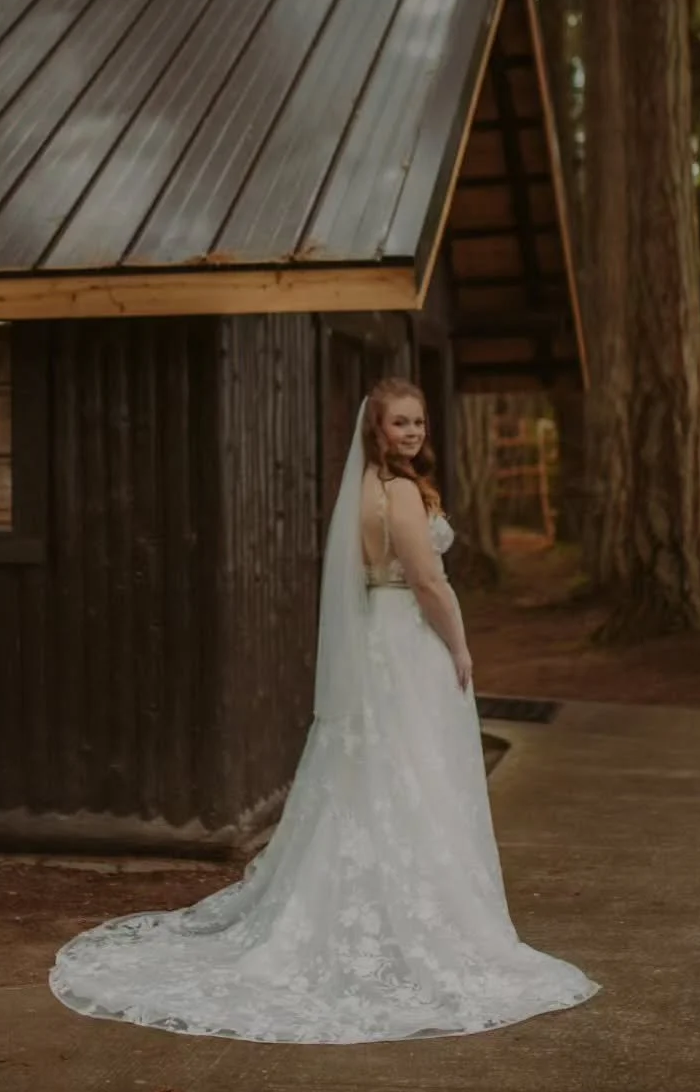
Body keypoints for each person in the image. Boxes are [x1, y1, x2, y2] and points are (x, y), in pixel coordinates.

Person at [48, 377, 601, 1044]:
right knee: (415, 777)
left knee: (384, 776)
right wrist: (460, 650)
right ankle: (419, 921)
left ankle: (391, 905)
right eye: (401, 422)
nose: (414, 432)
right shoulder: (396, 491)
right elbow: (426, 580)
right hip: (407, 642)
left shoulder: (372, 487)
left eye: (419, 421)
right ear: (377, 429)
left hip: (384, 639)